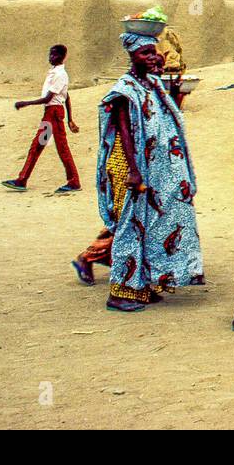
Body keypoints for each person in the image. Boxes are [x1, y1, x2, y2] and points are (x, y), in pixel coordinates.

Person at [91, 31, 204, 311]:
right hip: (129, 166)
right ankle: (120, 291)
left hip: (151, 167)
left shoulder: (151, 84)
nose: (152, 57)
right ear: (131, 56)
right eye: (145, 53)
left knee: (151, 224)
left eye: (154, 51)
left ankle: (141, 285)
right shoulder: (125, 88)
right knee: (131, 226)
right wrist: (134, 170)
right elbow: (124, 131)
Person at [2, 44, 81, 193]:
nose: (51, 58)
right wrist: (70, 119)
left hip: (54, 115)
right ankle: (22, 180)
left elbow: (48, 98)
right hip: (50, 115)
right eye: (50, 54)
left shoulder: (59, 74)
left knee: (61, 148)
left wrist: (25, 103)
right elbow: (66, 96)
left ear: (62, 57)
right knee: (37, 146)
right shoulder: (55, 73)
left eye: (54, 55)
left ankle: (74, 181)